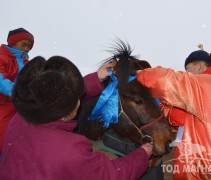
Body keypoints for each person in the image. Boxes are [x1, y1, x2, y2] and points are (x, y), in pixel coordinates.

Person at [0, 56, 153, 180]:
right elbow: (114, 174)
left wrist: (97, 78)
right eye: (76, 99)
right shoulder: (70, 151)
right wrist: (143, 154)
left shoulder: (21, 118)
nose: (80, 101)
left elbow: (56, 95)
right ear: (64, 113)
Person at [136, 50, 211, 179]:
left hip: (208, 169)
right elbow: (180, 118)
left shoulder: (200, 83)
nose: (187, 74)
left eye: (188, 69)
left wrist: (140, 73)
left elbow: (166, 80)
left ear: (200, 67)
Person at [0, 27, 34, 156]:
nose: (26, 49)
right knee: (3, 138)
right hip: (3, 104)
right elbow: (0, 79)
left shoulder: (28, 63)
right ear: (12, 42)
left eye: (29, 47)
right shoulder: (2, 57)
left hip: (20, 107)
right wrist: (17, 91)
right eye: (23, 44)